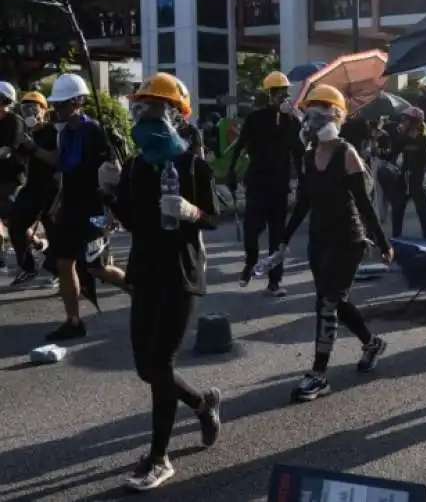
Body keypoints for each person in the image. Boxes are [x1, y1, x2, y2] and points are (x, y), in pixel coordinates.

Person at [97, 72, 221, 492]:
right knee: (146, 368)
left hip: (182, 273)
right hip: (146, 271)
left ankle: (158, 458)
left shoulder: (192, 163)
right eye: (140, 106)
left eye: (154, 107)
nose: (145, 115)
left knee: (161, 364)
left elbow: (217, 217)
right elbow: (134, 222)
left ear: (175, 114)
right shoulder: (135, 165)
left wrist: (191, 212)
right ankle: (203, 404)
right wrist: (111, 193)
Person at [278, 84, 393, 402]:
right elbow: (302, 203)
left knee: (327, 303)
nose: (313, 121)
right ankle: (371, 343)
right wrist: (282, 242)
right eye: (310, 114)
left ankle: (318, 374)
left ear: (335, 118)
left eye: (320, 114)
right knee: (336, 303)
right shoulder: (308, 155)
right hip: (319, 241)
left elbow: (364, 204)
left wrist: (383, 243)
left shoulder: (347, 153)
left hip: (348, 241)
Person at [44, 74, 129, 341]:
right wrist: (58, 202)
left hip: (94, 209)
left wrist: (111, 207)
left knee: (97, 267)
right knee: (64, 264)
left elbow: (111, 173)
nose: (58, 109)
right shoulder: (65, 133)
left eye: (63, 104)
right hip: (70, 206)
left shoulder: (95, 131)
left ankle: (145, 296)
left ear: (78, 102)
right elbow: (66, 171)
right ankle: (73, 321)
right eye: (56, 104)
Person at [228, 71, 303, 294]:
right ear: (269, 95)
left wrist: (302, 181)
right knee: (252, 231)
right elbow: (240, 146)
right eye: (278, 93)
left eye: (284, 93)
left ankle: (274, 282)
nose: (282, 96)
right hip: (257, 184)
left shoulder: (291, 121)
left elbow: (298, 153)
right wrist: (231, 172)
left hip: (279, 186)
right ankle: (250, 262)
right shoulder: (255, 118)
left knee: (277, 237)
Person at [9, 92, 58, 286]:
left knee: (54, 230)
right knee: (15, 224)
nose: (29, 112)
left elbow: (56, 159)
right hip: (32, 186)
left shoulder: (53, 131)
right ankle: (29, 266)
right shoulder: (27, 133)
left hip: (53, 187)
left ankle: (55, 270)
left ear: (44, 110)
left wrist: (34, 149)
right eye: (25, 108)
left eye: (34, 108)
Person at [391, 106, 426, 240]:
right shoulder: (402, 138)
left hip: (418, 179)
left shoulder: (423, 140)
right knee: (397, 210)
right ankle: (396, 239)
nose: (403, 122)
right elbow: (392, 155)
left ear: (413, 122)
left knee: (423, 212)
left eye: (406, 120)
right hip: (403, 180)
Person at [0, 81, 26, 270]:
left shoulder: (15, 121)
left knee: (13, 221)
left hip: (11, 178)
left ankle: (38, 246)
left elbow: (7, 151)